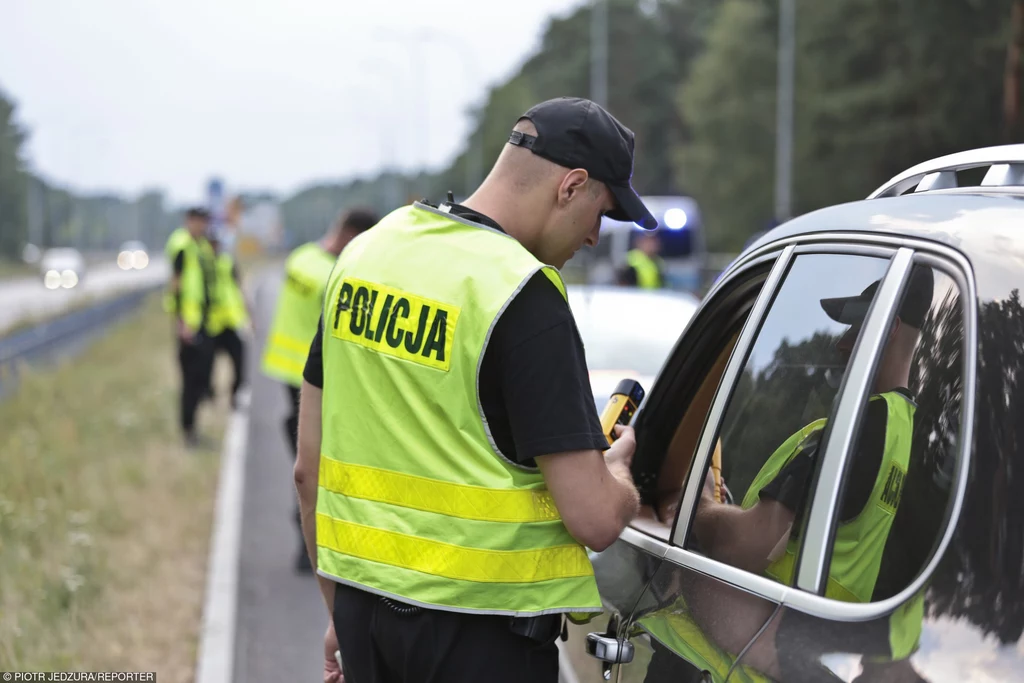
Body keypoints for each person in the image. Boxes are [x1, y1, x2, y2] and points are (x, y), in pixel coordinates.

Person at [294, 96, 657, 683]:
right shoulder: (522, 293)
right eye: (603, 212)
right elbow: (592, 518)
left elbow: (308, 471)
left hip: (365, 620)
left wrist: (345, 616)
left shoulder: (368, 254)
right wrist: (617, 475)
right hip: (484, 642)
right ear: (572, 184)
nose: (594, 237)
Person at [681, 266, 935, 679]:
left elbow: (752, 544)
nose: (840, 344)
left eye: (856, 327)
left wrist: (702, 504)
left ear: (889, 328)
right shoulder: (917, 440)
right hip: (828, 657)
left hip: (769, 651)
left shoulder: (855, 429)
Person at [261, 207, 379, 572]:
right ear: (351, 237)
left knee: (309, 466)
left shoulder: (300, 257)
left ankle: (315, 545)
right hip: (314, 384)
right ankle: (311, 547)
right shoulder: (331, 275)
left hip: (291, 374)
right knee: (315, 470)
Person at [163, 207, 216, 448]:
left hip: (203, 322)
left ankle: (193, 427)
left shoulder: (200, 245)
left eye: (204, 222)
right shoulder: (183, 246)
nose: (202, 226)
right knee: (190, 380)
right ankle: (188, 431)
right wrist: (181, 322)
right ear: (189, 221)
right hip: (189, 325)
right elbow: (176, 285)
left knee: (200, 377)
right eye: (198, 222)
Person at [206, 227, 250, 409]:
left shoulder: (227, 262)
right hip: (211, 323)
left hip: (231, 321)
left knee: (240, 364)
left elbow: (240, 288)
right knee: (205, 366)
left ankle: (234, 395)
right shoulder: (203, 263)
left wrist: (249, 314)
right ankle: (208, 393)